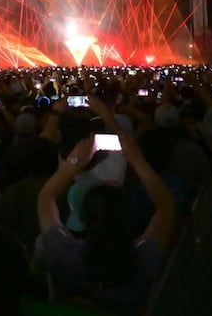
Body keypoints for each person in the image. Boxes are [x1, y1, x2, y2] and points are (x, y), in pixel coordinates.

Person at [37, 96, 175, 315]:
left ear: (83, 215)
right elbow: (166, 207)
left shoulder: (65, 254)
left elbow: (45, 199)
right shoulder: (142, 260)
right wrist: (136, 158)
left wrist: (74, 161)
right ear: (124, 215)